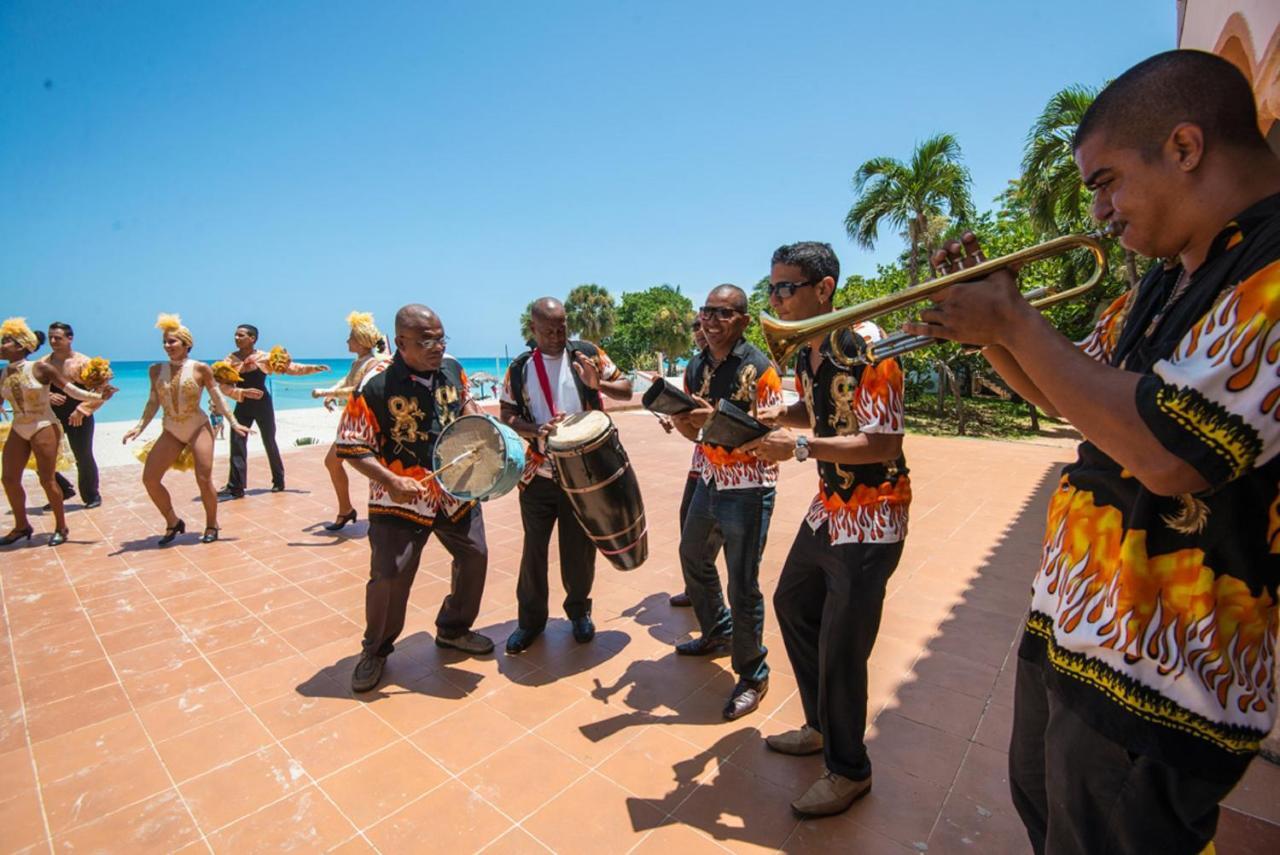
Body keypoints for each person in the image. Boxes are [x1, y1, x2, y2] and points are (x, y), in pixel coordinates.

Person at [898, 50, 1280, 854]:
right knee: (1049, 815)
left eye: (1105, 180)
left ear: (1184, 147)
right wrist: (994, 329)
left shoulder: (1270, 266)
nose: (1100, 211)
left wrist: (1013, 323)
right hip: (1078, 624)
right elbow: (1067, 393)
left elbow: (1171, 453)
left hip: (1165, 672)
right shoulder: (1167, 275)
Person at [745, 242, 910, 816]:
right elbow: (818, 410)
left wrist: (795, 446)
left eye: (786, 288)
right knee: (792, 602)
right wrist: (779, 417)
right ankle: (821, 725)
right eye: (771, 288)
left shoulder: (865, 342)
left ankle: (849, 770)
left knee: (843, 646)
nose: (776, 300)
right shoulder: (802, 349)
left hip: (873, 513)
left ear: (825, 288)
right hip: (831, 506)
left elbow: (884, 441)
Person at [337, 304, 494, 693]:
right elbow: (351, 446)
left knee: (475, 556)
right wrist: (390, 480)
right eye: (427, 341)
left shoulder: (452, 369)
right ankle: (375, 650)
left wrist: (477, 421)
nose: (438, 347)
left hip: (454, 490)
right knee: (390, 576)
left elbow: (465, 403)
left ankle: (454, 629)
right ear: (401, 342)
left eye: (442, 338)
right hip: (400, 498)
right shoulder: (375, 386)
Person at [669, 284, 782, 720]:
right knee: (692, 555)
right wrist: (684, 421)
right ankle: (717, 631)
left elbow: (771, 436)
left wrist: (713, 423)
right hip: (710, 477)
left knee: (743, 581)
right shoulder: (696, 366)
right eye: (706, 313)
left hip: (750, 484)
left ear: (743, 321)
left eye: (723, 314)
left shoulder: (760, 369)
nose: (711, 322)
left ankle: (753, 672)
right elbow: (692, 434)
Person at [499, 297, 633, 654]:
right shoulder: (519, 367)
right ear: (533, 329)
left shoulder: (588, 353)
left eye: (562, 328)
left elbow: (627, 389)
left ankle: (579, 612)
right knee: (534, 551)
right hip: (538, 475)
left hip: (583, 476)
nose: (558, 336)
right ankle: (529, 622)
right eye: (548, 331)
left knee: (579, 550)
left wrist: (597, 383)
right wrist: (537, 429)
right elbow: (507, 415)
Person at [122, 315, 250, 545]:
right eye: (165, 342)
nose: (167, 346)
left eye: (172, 342)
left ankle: (212, 524)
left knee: (203, 479)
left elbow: (217, 397)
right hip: (170, 430)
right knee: (150, 479)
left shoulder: (200, 368)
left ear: (186, 344)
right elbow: (153, 402)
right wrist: (138, 427)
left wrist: (233, 422)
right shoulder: (155, 370)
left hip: (198, 428)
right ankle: (172, 520)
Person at [1, 318, 114, 546]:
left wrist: (94, 400)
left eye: (6, 341)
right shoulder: (7, 372)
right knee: (9, 478)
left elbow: (75, 389)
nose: (1, 345)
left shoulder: (50, 366)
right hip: (21, 425)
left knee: (60, 470)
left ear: (22, 345)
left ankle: (68, 519)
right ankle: (22, 526)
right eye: (51, 337)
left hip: (48, 423)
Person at [217, 323, 328, 499]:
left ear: (252, 338)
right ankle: (235, 486)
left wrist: (313, 368)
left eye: (241, 335)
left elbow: (290, 368)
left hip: (263, 405)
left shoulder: (264, 357)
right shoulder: (229, 360)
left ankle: (278, 480)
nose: (236, 338)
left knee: (269, 441)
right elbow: (223, 385)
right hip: (243, 405)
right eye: (235, 335)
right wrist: (240, 392)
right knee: (237, 443)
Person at [311, 312, 391, 531]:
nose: (347, 341)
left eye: (351, 338)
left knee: (365, 466)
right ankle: (346, 509)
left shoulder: (373, 364)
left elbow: (357, 389)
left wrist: (326, 392)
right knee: (335, 462)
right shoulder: (359, 363)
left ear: (361, 341)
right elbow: (346, 382)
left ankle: (363, 511)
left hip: (361, 425)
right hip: (350, 422)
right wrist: (332, 393)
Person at [42, 322, 103, 509]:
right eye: (51, 337)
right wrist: (48, 395)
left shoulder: (84, 362)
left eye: (58, 338)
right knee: (42, 456)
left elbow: (100, 390)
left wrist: (83, 410)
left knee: (83, 456)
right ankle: (61, 490)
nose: (53, 341)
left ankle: (92, 495)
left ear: (70, 338)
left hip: (78, 413)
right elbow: (33, 388)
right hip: (51, 414)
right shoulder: (43, 363)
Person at [670, 317, 708, 609]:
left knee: (716, 537)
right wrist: (678, 419)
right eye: (696, 330)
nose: (700, 334)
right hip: (702, 460)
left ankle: (711, 597)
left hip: (735, 468)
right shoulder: (694, 367)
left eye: (703, 328)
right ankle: (695, 588)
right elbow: (689, 410)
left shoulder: (742, 364)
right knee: (688, 522)